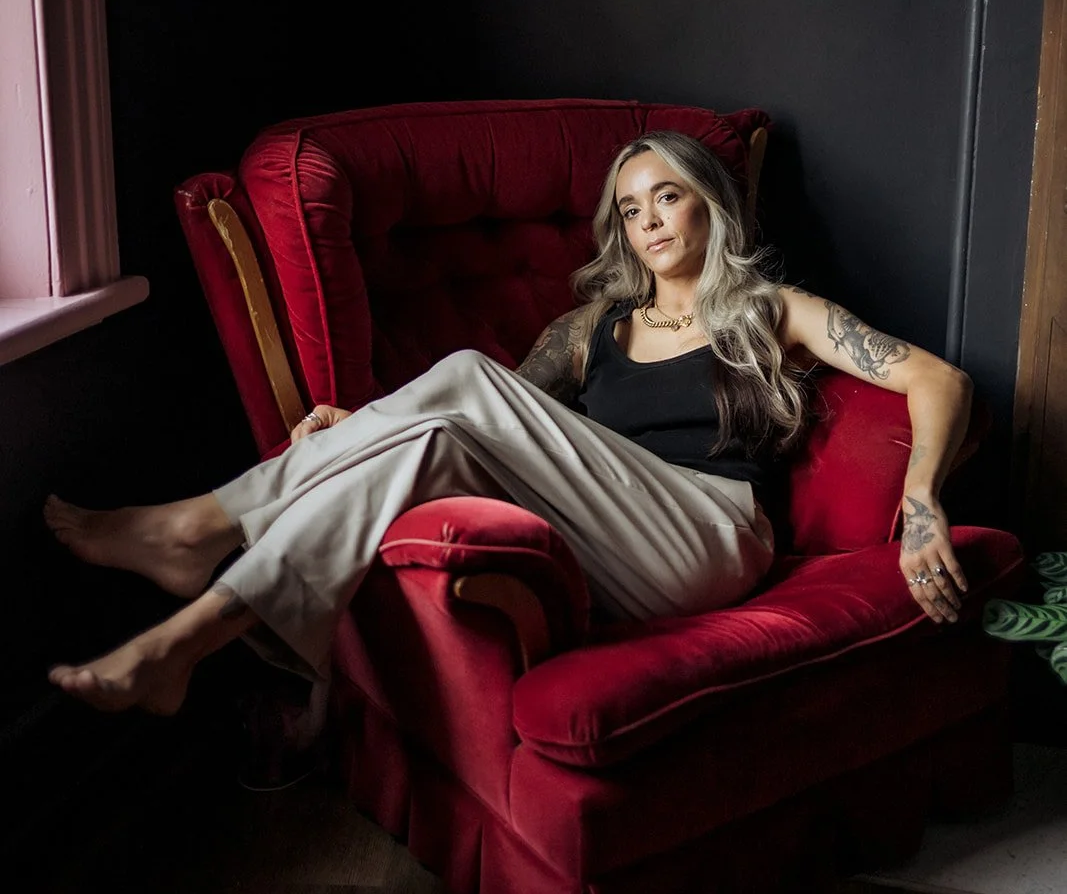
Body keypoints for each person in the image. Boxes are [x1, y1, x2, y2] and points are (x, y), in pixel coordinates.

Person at [44, 131, 972, 716]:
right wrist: (359, 429)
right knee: (437, 434)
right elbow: (490, 416)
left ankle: (199, 524)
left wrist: (921, 501)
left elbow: (934, 377)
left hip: (709, 537)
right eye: (630, 207)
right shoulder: (587, 331)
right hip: (607, 548)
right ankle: (182, 646)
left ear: (708, 206)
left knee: (459, 378)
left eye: (668, 196)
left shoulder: (771, 308)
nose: (649, 220)